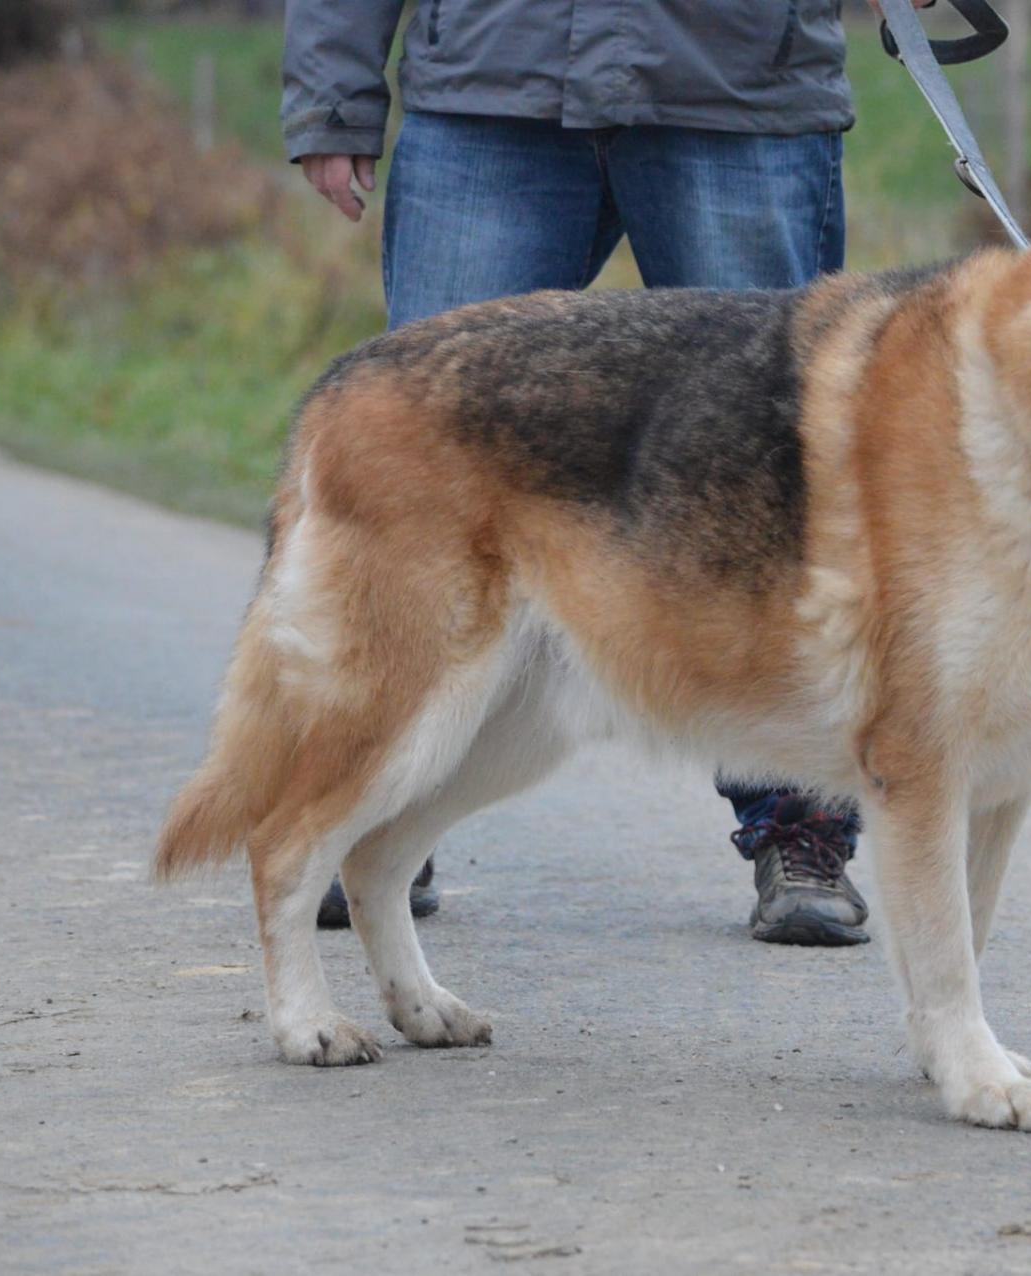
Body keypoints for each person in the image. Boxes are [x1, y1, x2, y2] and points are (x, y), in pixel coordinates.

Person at [284, 0, 901, 945]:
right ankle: (369, 805)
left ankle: (801, 823)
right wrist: (333, 97)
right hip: (495, 74)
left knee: (780, 487)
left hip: (732, 76)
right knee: (429, 464)